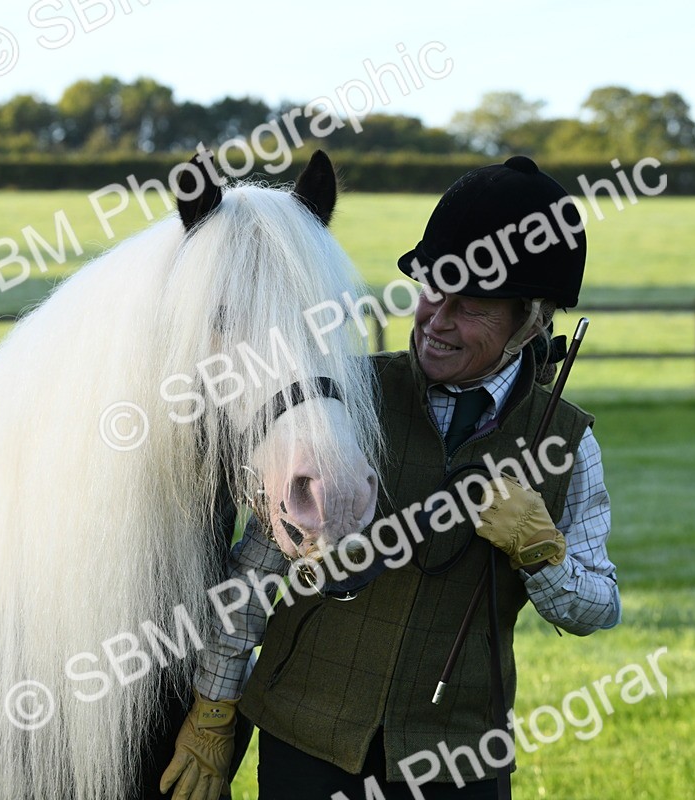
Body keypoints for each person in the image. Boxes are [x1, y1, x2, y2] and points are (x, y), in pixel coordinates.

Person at [159, 156, 621, 800]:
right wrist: (214, 710)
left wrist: (544, 554)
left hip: (457, 760)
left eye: (471, 307)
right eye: (434, 290)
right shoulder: (339, 397)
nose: (437, 320)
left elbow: (600, 606)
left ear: (532, 321)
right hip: (305, 743)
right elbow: (255, 575)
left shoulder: (567, 442)